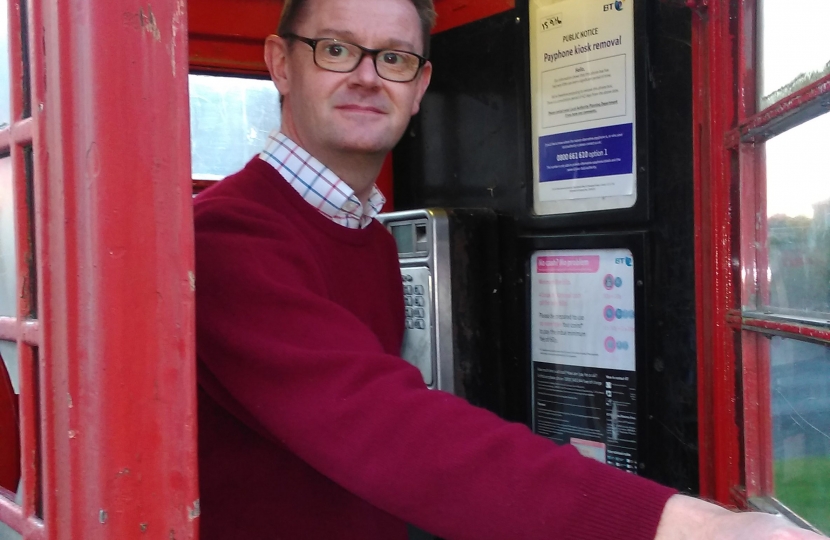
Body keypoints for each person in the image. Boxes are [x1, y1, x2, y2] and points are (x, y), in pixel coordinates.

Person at [193, 0, 827, 538]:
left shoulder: (368, 237)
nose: (367, 76)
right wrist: (686, 524)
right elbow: (386, 428)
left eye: (393, 58)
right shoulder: (226, 236)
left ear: (418, 87)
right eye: (336, 49)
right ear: (280, 63)